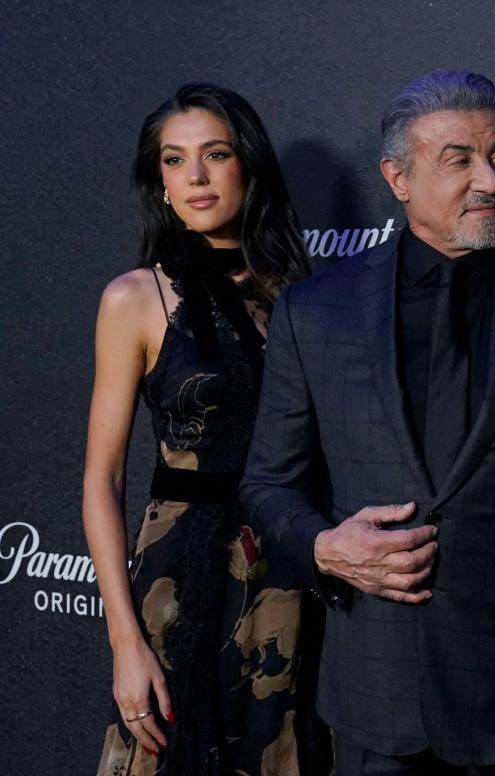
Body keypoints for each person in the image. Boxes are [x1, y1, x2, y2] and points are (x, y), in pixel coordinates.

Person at [240, 70, 495, 776]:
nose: (488, 180)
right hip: (377, 695)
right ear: (397, 178)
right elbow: (267, 484)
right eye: (458, 159)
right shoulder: (315, 312)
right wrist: (322, 547)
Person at [82, 84, 323, 774]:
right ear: (158, 181)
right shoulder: (134, 299)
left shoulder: (302, 295)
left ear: (246, 164)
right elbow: (101, 478)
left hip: (287, 571)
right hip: (176, 580)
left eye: (215, 154)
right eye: (174, 159)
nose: (194, 176)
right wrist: (125, 641)